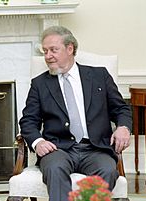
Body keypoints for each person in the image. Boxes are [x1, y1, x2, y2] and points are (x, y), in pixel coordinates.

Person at [19, 26, 132, 201]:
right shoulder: (40, 84)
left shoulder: (99, 76)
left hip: (96, 149)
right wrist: (38, 142)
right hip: (58, 149)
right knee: (55, 168)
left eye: (53, 50)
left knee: (108, 170)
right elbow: (28, 121)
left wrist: (123, 127)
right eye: (45, 51)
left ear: (70, 48)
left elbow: (121, 108)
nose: (48, 56)